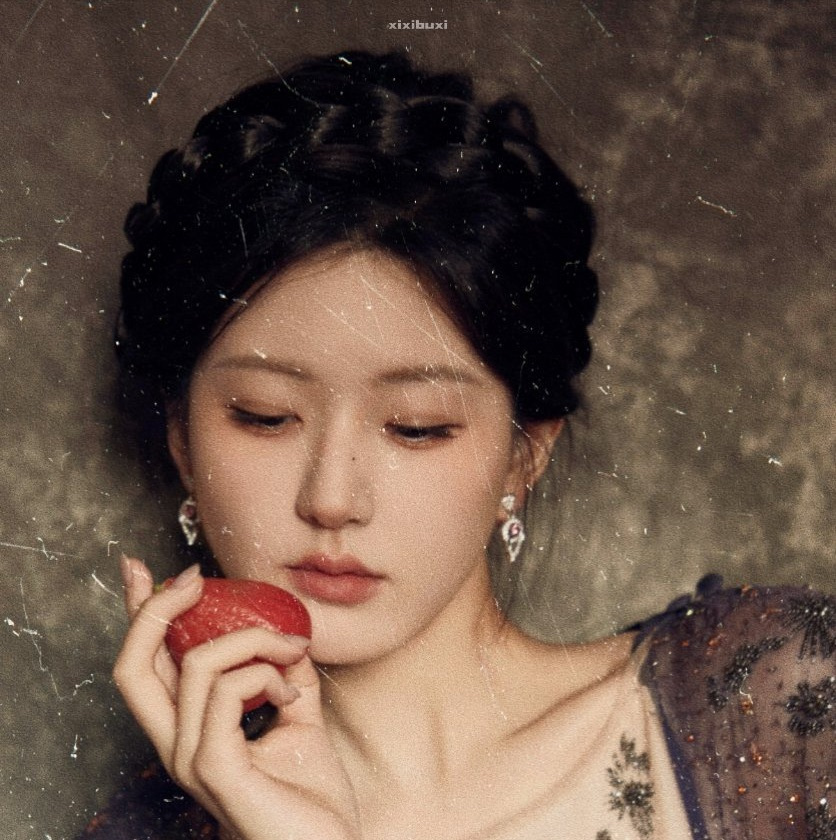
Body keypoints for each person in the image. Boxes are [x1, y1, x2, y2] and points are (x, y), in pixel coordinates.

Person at [82, 50, 833, 840]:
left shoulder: (779, 702)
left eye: (416, 426)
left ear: (524, 454)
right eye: (265, 417)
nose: (332, 499)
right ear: (182, 441)